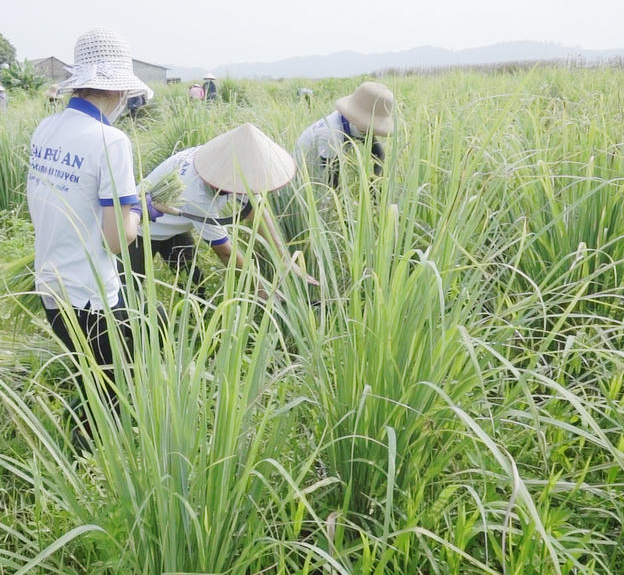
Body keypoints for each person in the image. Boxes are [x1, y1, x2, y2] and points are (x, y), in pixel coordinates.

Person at [26, 27, 151, 400]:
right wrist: (138, 214)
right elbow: (117, 240)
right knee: (110, 394)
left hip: (51, 287)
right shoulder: (111, 140)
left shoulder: (45, 129)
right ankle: (94, 455)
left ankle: (78, 453)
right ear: (119, 90)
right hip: (92, 294)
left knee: (87, 378)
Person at [128, 123, 316, 294]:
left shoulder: (230, 165)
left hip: (176, 224)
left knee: (193, 284)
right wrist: (258, 287)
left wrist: (284, 260)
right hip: (140, 228)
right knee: (129, 289)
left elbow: (256, 210)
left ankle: (193, 322)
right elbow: (225, 251)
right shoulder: (196, 193)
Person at [294, 81, 394, 187]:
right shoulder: (331, 133)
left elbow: (379, 156)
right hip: (305, 176)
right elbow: (332, 181)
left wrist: (376, 180)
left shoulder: (357, 125)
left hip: (321, 168)